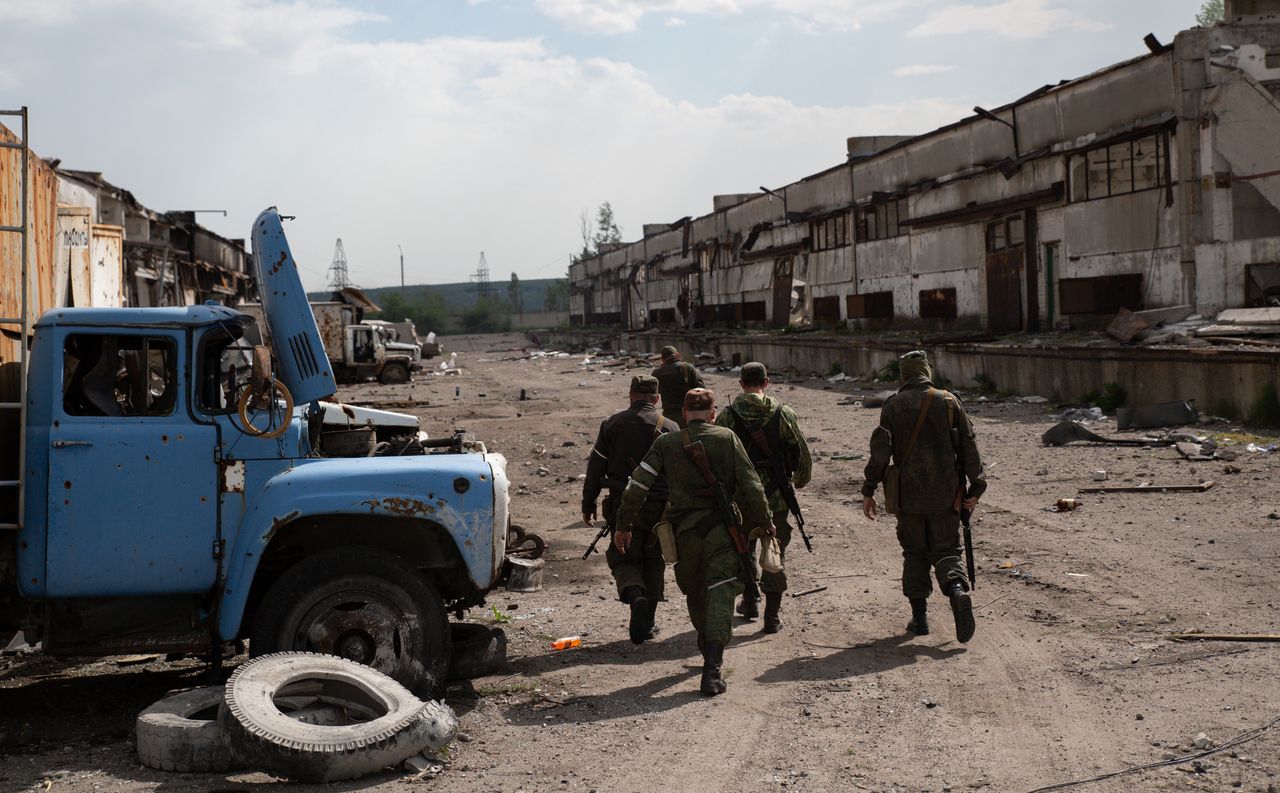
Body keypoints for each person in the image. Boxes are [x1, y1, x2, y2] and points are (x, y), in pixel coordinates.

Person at [613, 388, 771, 696]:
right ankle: (713, 666)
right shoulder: (727, 438)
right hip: (723, 532)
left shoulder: (667, 443)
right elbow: (752, 484)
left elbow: (637, 486)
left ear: (684, 414)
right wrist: (765, 522)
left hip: (685, 535)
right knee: (721, 590)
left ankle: (708, 652)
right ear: (713, 412)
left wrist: (623, 525)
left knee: (697, 592)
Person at [861, 351, 986, 643]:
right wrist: (976, 487)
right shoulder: (949, 401)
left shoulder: (893, 405)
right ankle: (956, 591)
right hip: (946, 495)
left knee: (914, 553)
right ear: (926, 372)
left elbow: (880, 451)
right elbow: (969, 445)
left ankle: (920, 620)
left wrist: (869, 490)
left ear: (904, 374)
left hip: (909, 497)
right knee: (947, 551)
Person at [582, 375, 679, 644]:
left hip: (621, 503)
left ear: (630, 395)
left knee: (622, 556)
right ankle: (648, 623)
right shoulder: (670, 426)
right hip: (659, 506)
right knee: (653, 558)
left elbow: (595, 468)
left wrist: (588, 503)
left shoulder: (612, 424)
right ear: (656, 399)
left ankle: (635, 594)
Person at [715, 362, 811, 633]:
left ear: (741, 383)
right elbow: (801, 452)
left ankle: (750, 600)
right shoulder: (783, 413)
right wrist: (800, 479)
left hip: (740, 499)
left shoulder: (728, 416)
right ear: (766, 382)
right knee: (774, 552)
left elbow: (719, 458)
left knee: (743, 550)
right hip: (777, 498)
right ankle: (771, 616)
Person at [652, 345, 704, 428]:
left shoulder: (657, 373)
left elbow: (654, 394)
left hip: (668, 416)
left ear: (662, 358)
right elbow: (701, 390)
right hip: (690, 414)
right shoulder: (688, 368)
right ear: (677, 355)